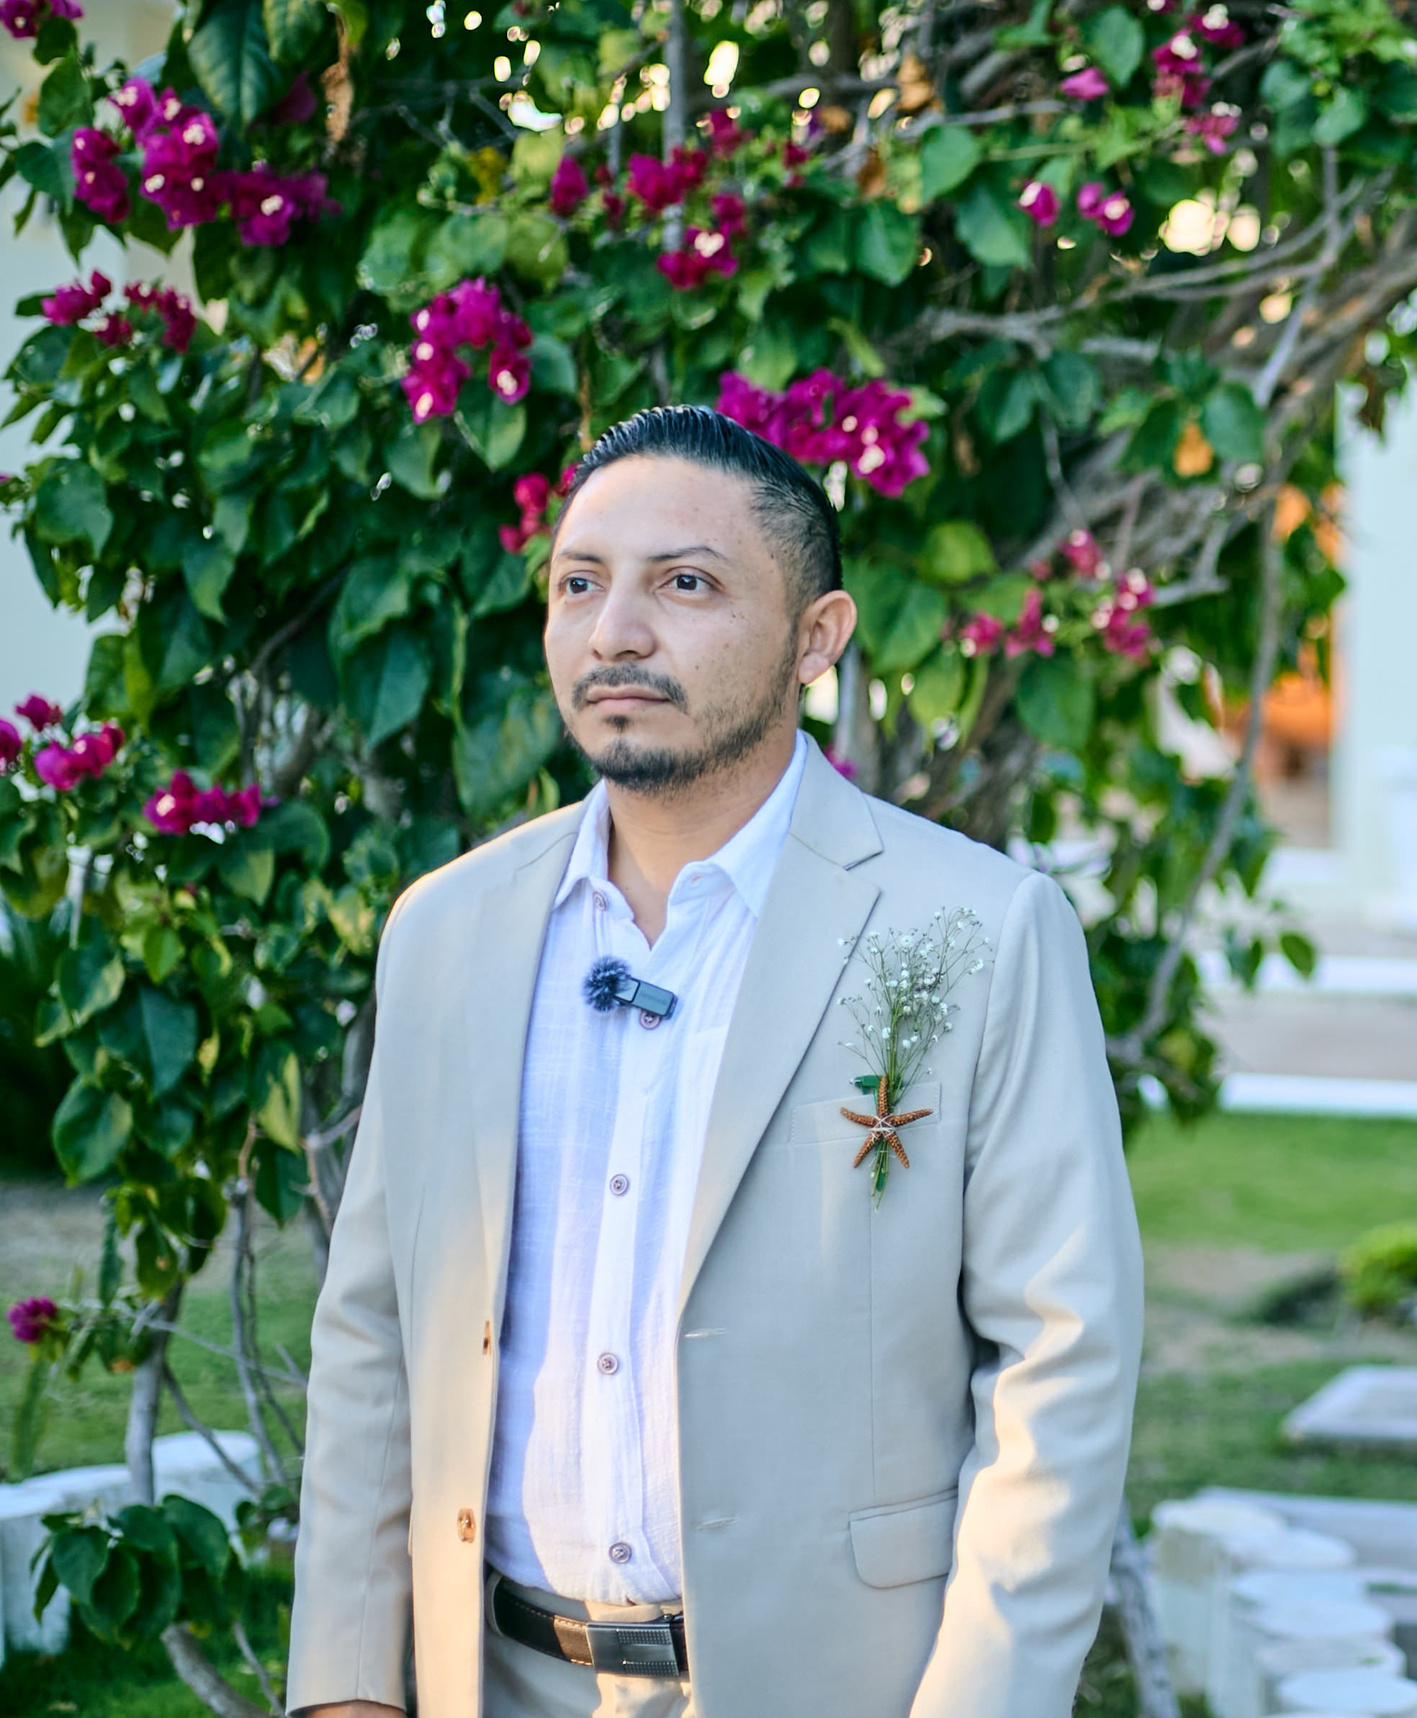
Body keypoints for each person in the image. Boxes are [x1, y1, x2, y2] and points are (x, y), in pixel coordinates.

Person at [286, 406, 1144, 1718]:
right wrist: (347, 1684)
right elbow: (372, 1333)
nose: (614, 631)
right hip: (500, 1680)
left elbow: (1059, 1358)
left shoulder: (974, 929)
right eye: (581, 583)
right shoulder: (446, 931)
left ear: (817, 636)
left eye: (684, 583)